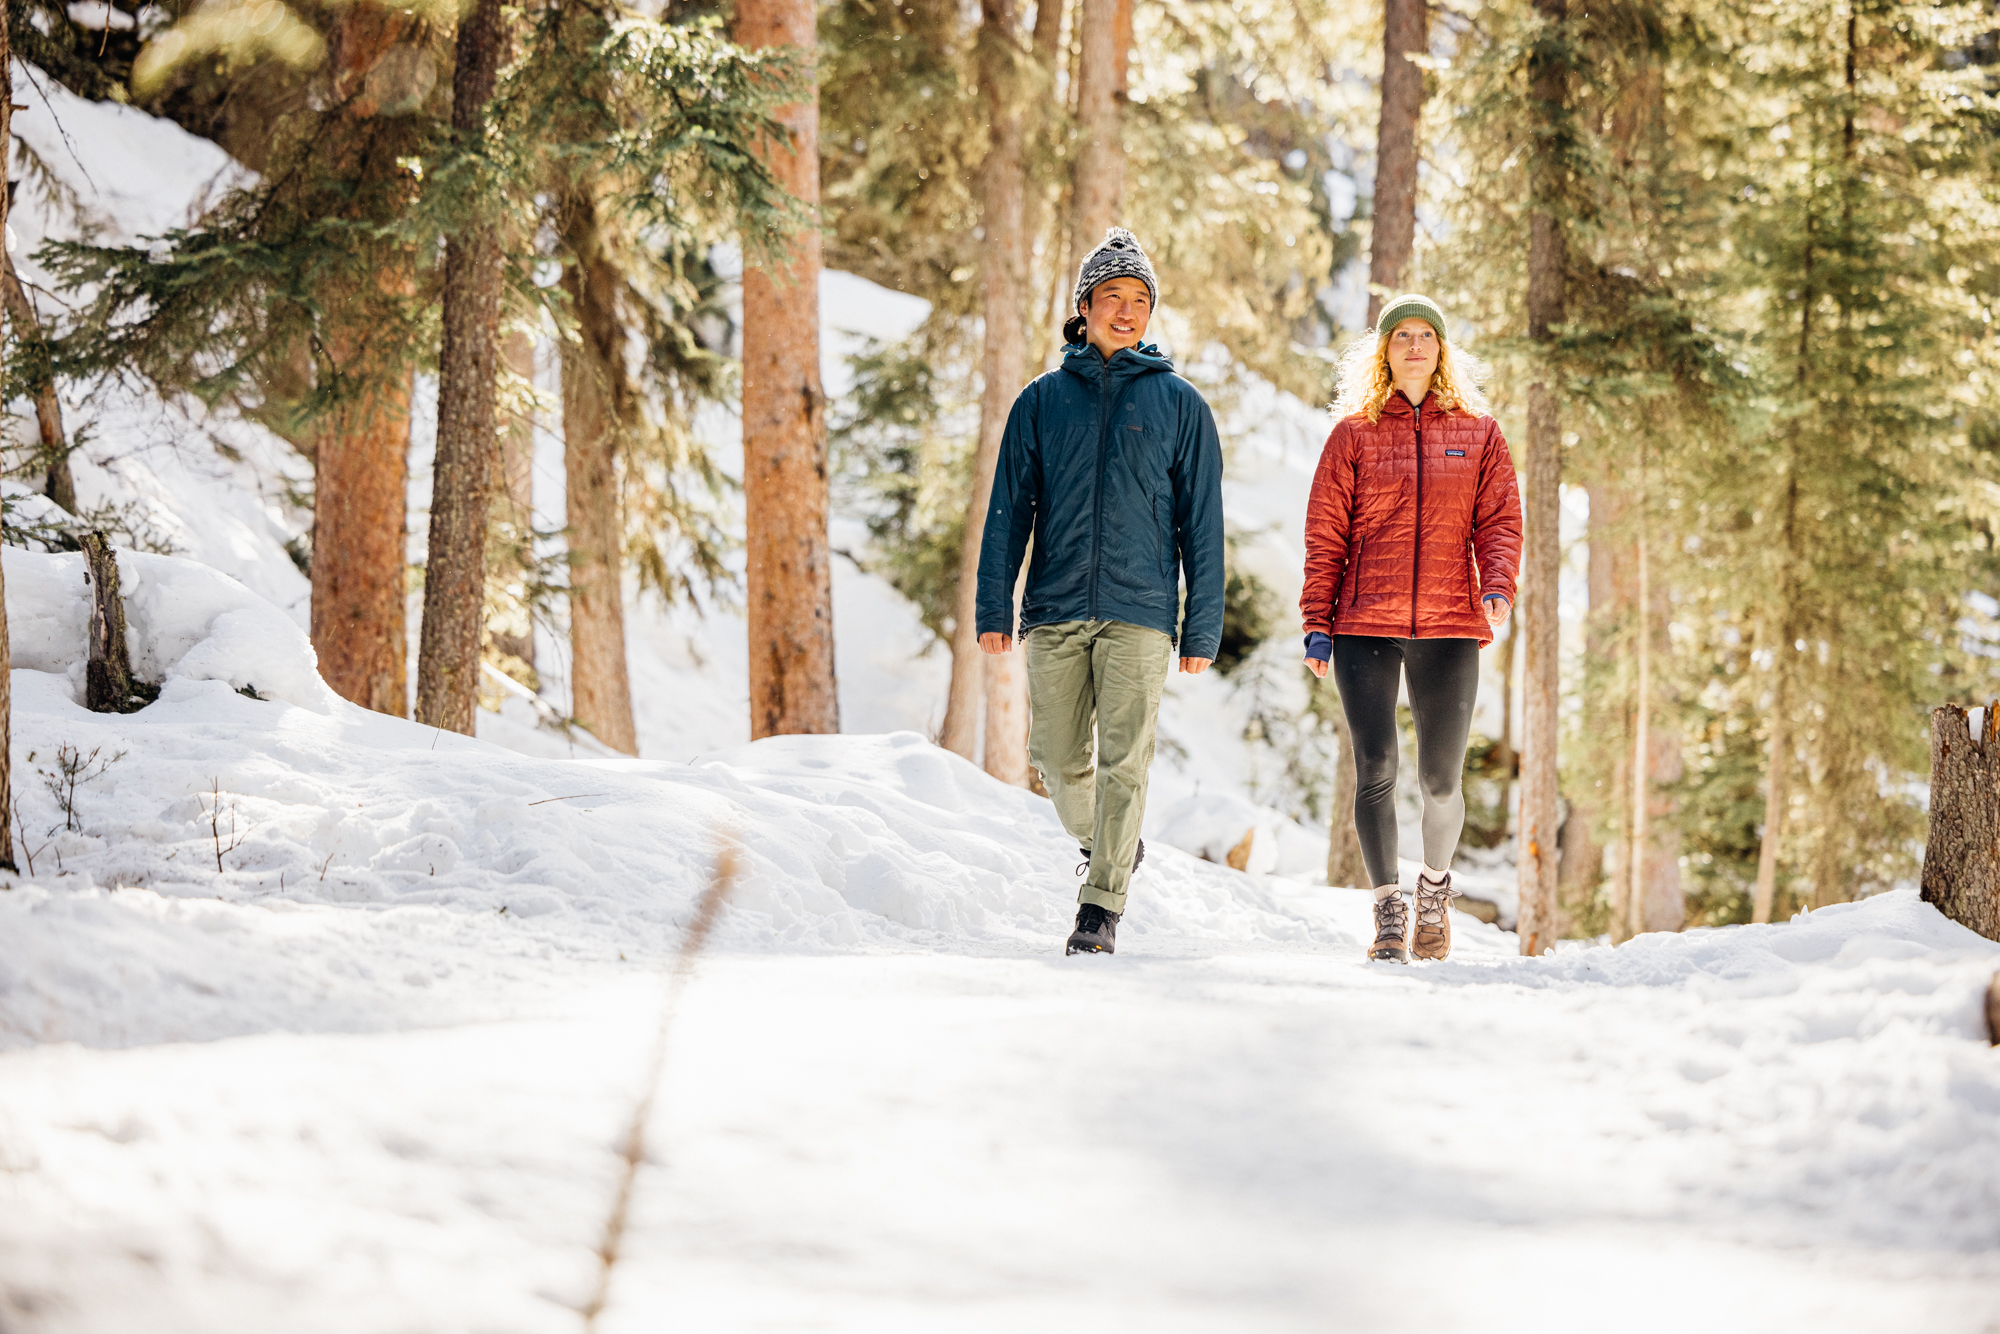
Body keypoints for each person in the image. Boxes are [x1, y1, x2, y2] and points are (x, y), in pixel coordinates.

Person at [976, 228, 1225, 956]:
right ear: (1082, 307)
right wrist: (996, 606)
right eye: (1111, 296)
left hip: (1141, 612)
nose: (1126, 309)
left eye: (1139, 299)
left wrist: (1199, 626)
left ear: (1152, 314)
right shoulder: (1040, 401)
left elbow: (1201, 523)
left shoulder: (1181, 406)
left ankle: (1100, 905)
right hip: (1054, 607)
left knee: (1126, 759)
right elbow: (1007, 510)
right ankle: (1110, 843)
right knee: (1054, 757)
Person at [1300, 294, 1522, 964]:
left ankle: (1433, 894)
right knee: (1375, 767)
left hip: (1450, 625)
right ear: (1385, 351)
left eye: (1428, 336)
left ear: (1443, 350)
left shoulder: (1479, 432)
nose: (1416, 347)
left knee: (1440, 783)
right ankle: (1389, 910)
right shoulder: (1352, 436)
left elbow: (1500, 520)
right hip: (1364, 620)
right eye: (1403, 337)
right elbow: (1324, 535)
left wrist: (1497, 583)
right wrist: (1316, 620)